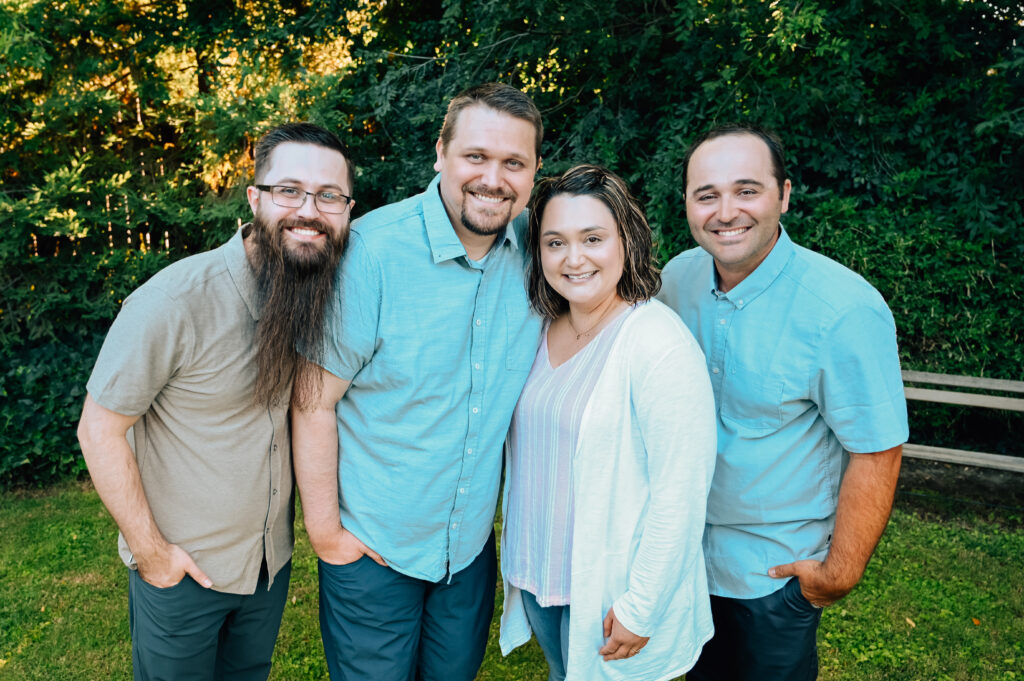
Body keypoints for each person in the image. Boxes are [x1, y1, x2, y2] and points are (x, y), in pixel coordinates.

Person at [76, 122, 354, 681]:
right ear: (255, 199)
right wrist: (151, 553)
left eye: (329, 196)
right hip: (184, 574)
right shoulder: (173, 302)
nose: (309, 209)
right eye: (289, 190)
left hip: (267, 571)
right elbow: (98, 429)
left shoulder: (313, 292)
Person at [290, 83, 544, 681]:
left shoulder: (545, 251)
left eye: (514, 162)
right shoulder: (372, 253)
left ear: (535, 172)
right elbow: (312, 398)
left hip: (470, 551)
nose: (493, 178)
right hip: (375, 549)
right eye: (475, 157)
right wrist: (327, 535)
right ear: (440, 154)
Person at [657, 123, 909, 680]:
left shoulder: (844, 310)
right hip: (681, 565)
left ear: (784, 195)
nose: (726, 211)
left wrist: (838, 574)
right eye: (707, 195)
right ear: (688, 205)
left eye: (747, 190)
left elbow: (877, 451)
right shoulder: (675, 281)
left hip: (772, 579)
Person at [497, 165, 718, 681]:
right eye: (555, 242)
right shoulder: (540, 329)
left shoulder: (656, 342)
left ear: (627, 240)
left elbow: (680, 492)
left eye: (592, 238)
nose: (573, 259)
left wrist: (642, 604)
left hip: (611, 595)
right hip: (540, 582)